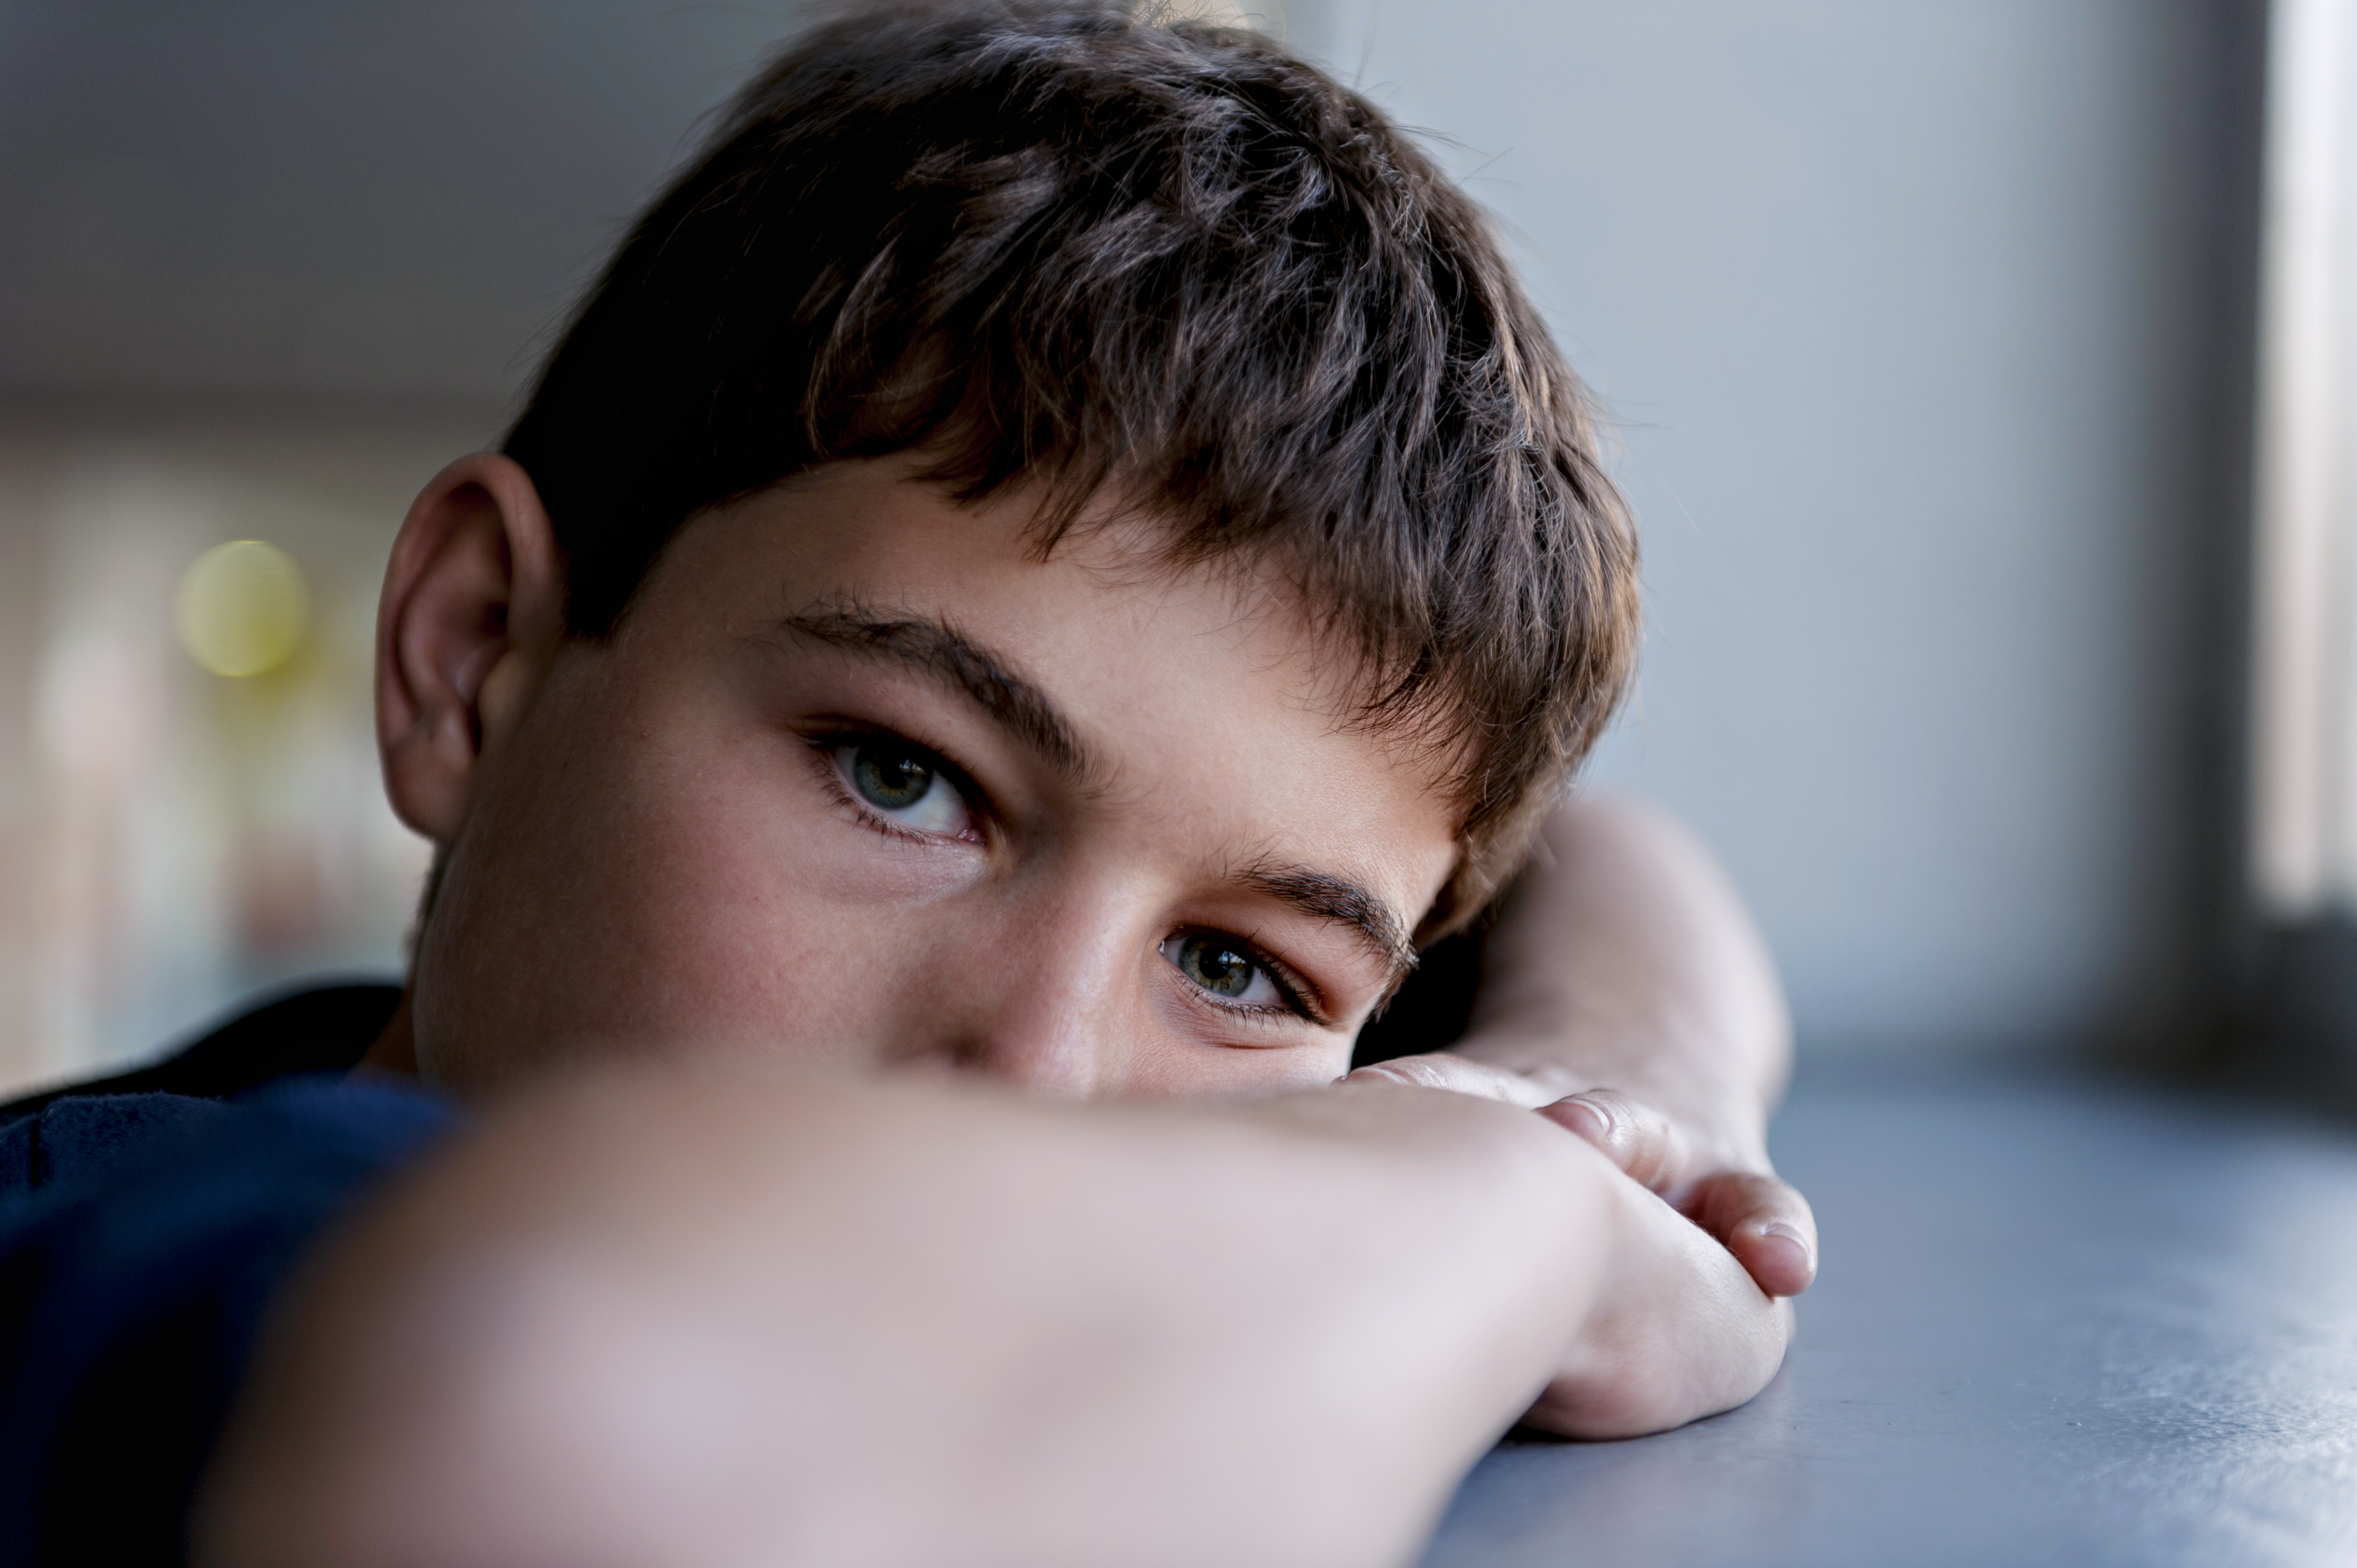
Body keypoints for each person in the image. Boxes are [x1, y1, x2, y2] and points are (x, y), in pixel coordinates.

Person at [0, 4, 1816, 1564]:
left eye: (1238, 969)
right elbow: (546, 1423)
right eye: (902, 778)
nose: (1036, 1076)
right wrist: (1516, 1212)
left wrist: (1626, 1096)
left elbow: (1594, 858)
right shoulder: (126, 1242)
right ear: (474, 657)